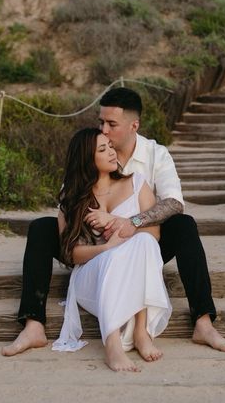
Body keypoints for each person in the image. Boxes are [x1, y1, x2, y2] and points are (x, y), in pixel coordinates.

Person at [1, 87, 225, 357]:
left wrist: (129, 222)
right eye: (101, 122)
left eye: (111, 124)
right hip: (92, 250)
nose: (104, 129)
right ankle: (33, 323)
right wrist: (101, 245)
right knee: (41, 228)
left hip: (143, 244)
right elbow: (71, 212)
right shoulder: (90, 153)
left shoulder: (154, 155)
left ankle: (203, 322)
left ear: (133, 125)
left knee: (184, 225)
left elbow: (173, 203)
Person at [52, 128, 171, 372]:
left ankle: (141, 331)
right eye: (102, 149)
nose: (111, 152)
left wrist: (115, 222)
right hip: (91, 279)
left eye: (110, 146)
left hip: (129, 274)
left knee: (145, 242)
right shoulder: (72, 196)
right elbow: (71, 254)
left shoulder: (137, 183)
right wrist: (107, 247)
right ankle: (113, 344)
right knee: (113, 257)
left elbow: (154, 235)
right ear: (87, 158)